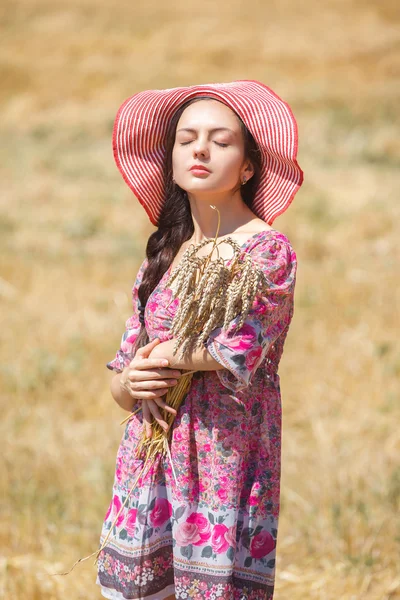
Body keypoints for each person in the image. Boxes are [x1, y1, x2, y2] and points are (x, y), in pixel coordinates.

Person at [96, 80, 303, 600]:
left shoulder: (267, 252)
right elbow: (124, 379)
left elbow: (239, 348)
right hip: (148, 464)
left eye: (221, 140)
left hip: (222, 467)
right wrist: (131, 381)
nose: (200, 150)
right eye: (186, 139)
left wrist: (166, 352)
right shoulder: (164, 253)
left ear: (250, 165)